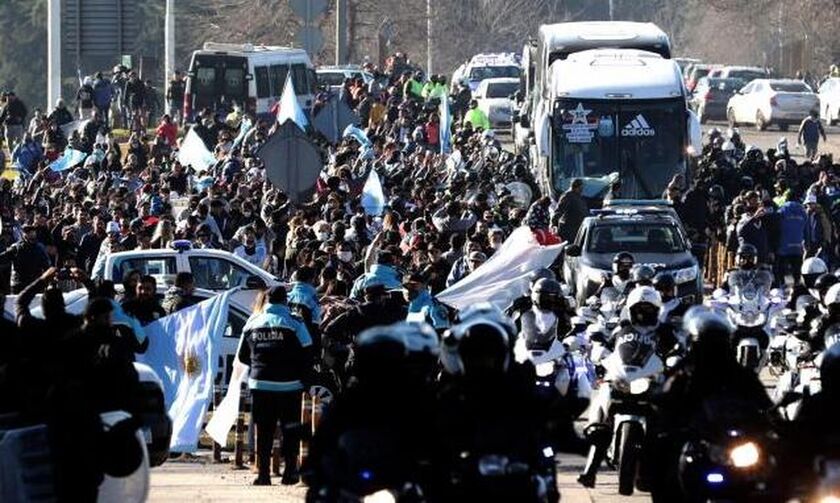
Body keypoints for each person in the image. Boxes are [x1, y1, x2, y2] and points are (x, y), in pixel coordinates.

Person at [645, 307, 773, 502]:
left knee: (769, 466)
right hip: (698, 441)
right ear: (695, 343)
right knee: (663, 452)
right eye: (707, 343)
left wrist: (772, 421)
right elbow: (663, 397)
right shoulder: (684, 373)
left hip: (735, 442)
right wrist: (663, 408)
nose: (713, 350)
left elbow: (764, 403)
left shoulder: (740, 374)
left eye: (718, 342)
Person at [435, 309, 560, 502]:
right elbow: (427, 429)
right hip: (462, 476)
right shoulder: (449, 390)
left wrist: (545, 468)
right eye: (475, 354)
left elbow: (541, 426)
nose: (482, 361)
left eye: (488, 354)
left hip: (513, 473)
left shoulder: (518, 385)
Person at [303, 322, 439, 497]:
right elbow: (323, 443)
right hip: (357, 483)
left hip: (401, 484)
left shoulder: (423, 400)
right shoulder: (350, 401)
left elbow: (441, 445)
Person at [579, 286, 664, 488]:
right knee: (601, 421)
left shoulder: (663, 331)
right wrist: (599, 351)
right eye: (639, 307)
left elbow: (679, 347)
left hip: (648, 381)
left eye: (648, 308)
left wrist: (675, 358)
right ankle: (589, 471)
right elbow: (606, 346)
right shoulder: (622, 329)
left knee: (666, 420)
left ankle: (656, 468)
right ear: (631, 309)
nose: (643, 312)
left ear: (657, 309)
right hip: (622, 379)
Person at [236, 285, 314, 486]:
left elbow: (243, 356)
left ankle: (263, 475)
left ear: (267, 300)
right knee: (290, 430)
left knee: (264, 431)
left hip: (260, 385)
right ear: (285, 301)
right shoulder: (295, 322)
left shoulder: (252, 322)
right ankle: (289, 473)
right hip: (290, 386)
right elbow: (308, 351)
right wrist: (304, 380)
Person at [0, 223, 51, 293]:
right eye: (27, 232)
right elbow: (3, 257)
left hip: (35, 283)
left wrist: (48, 280)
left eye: (32, 231)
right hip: (18, 283)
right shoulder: (16, 247)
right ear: (23, 234)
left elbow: (46, 265)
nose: (30, 234)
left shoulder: (40, 248)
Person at [552, 178, 588, 243]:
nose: (582, 190)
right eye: (580, 188)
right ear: (576, 187)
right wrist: (554, 224)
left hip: (577, 228)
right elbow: (559, 211)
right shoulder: (567, 196)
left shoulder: (578, 196)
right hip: (569, 230)